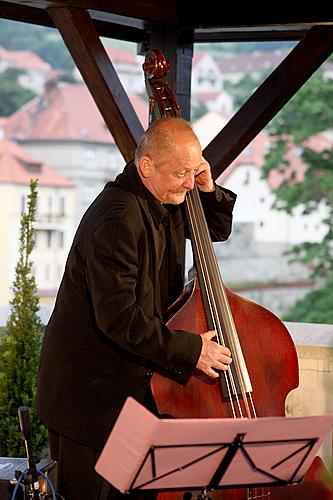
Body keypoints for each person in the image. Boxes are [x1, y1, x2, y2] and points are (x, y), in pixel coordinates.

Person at [36, 117, 236, 499]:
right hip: (92, 402)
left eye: (194, 173)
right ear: (146, 166)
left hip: (133, 389)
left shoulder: (167, 196)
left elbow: (214, 231)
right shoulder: (117, 218)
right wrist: (193, 349)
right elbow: (120, 319)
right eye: (181, 173)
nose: (188, 183)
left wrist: (207, 189)